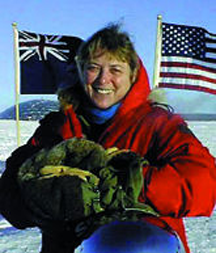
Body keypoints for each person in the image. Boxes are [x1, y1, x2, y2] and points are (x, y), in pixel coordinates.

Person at [0, 23, 215, 253]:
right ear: (81, 72)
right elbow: (8, 194)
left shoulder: (160, 125)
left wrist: (127, 184)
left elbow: (204, 184)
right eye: (94, 68)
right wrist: (40, 198)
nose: (103, 79)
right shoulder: (57, 128)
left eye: (115, 69)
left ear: (132, 74)